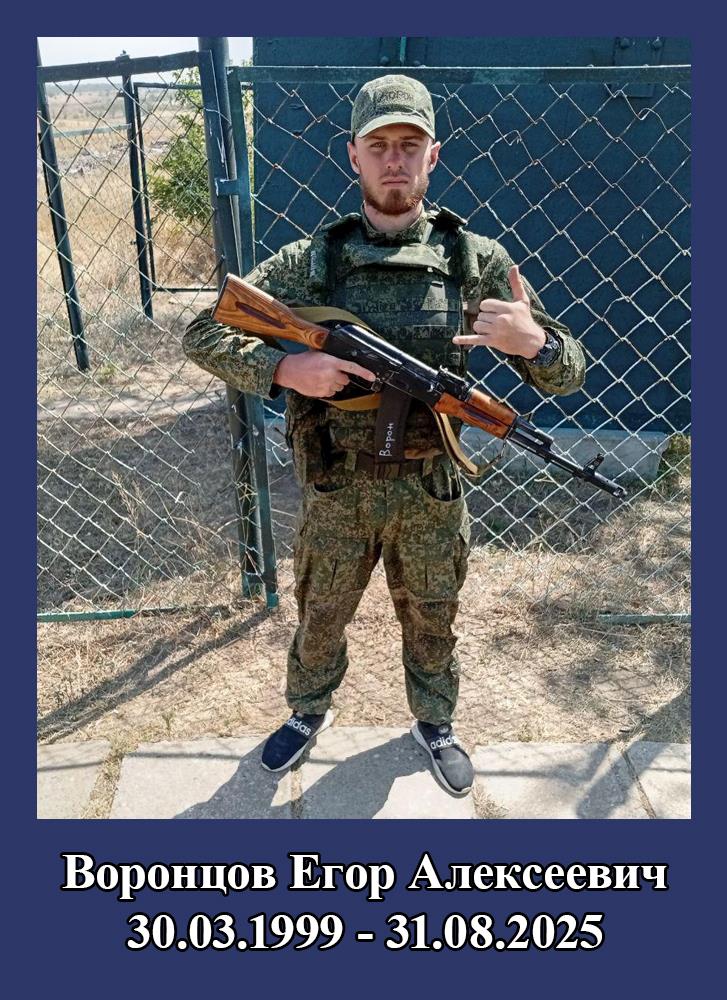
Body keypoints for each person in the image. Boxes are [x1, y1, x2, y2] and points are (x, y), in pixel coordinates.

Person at [183, 74, 585, 796]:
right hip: (336, 484)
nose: (394, 160)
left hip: (431, 490)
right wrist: (287, 368)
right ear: (354, 156)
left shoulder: (474, 261)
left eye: (409, 144)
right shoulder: (314, 260)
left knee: (433, 616)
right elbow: (203, 331)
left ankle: (435, 722)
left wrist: (536, 345)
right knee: (320, 612)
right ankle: (307, 711)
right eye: (379, 146)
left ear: (433, 155)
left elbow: (566, 374)